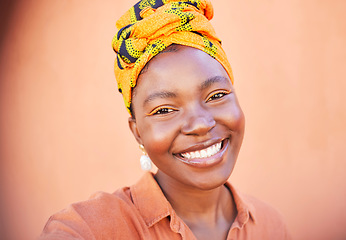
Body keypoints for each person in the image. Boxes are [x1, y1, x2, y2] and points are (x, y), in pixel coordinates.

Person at [39, 0, 292, 239]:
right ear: (137, 132)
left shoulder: (271, 227)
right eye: (164, 110)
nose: (201, 124)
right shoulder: (90, 228)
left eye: (216, 95)